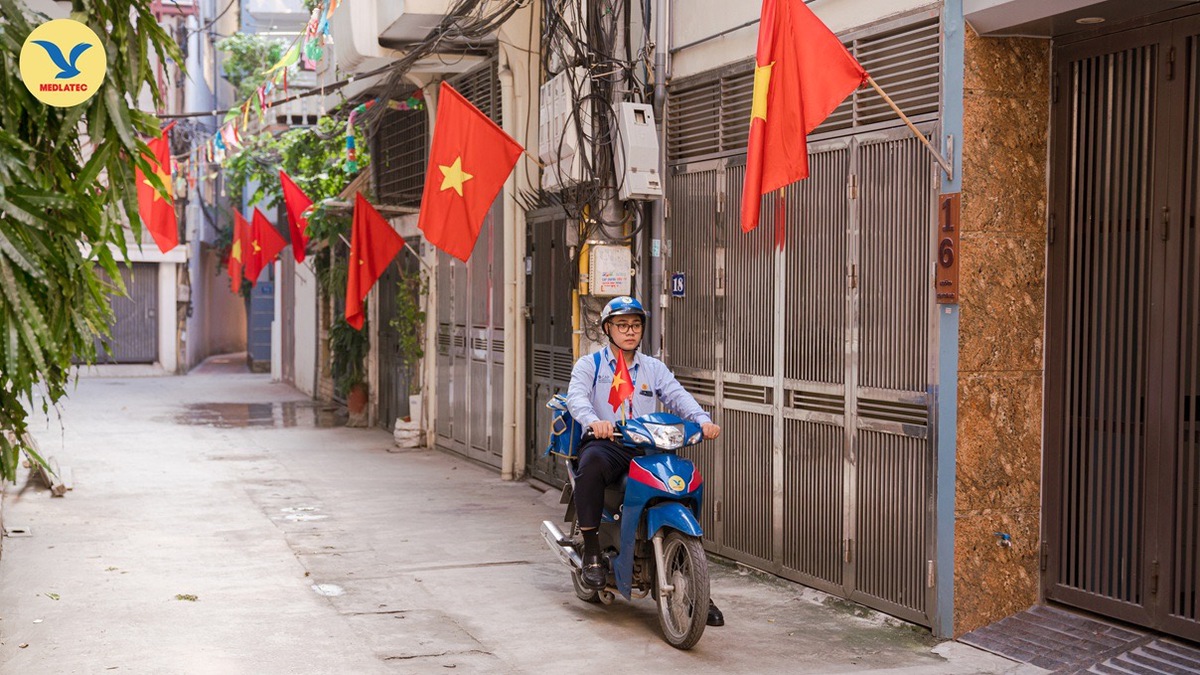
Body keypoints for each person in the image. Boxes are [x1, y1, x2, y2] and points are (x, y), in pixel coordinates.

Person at [565, 295, 725, 627]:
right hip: (609, 443)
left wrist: (703, 420)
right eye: (622, 325)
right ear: (608, 329)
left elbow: (678, 396)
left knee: (684, 480)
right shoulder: (590, 365)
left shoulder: (653, 368)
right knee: (591, 465)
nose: (630, 331)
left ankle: (695, 579)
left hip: (648, 445)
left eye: (636, 325)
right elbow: (576, 398)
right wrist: (594, 420)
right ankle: (593, 553)